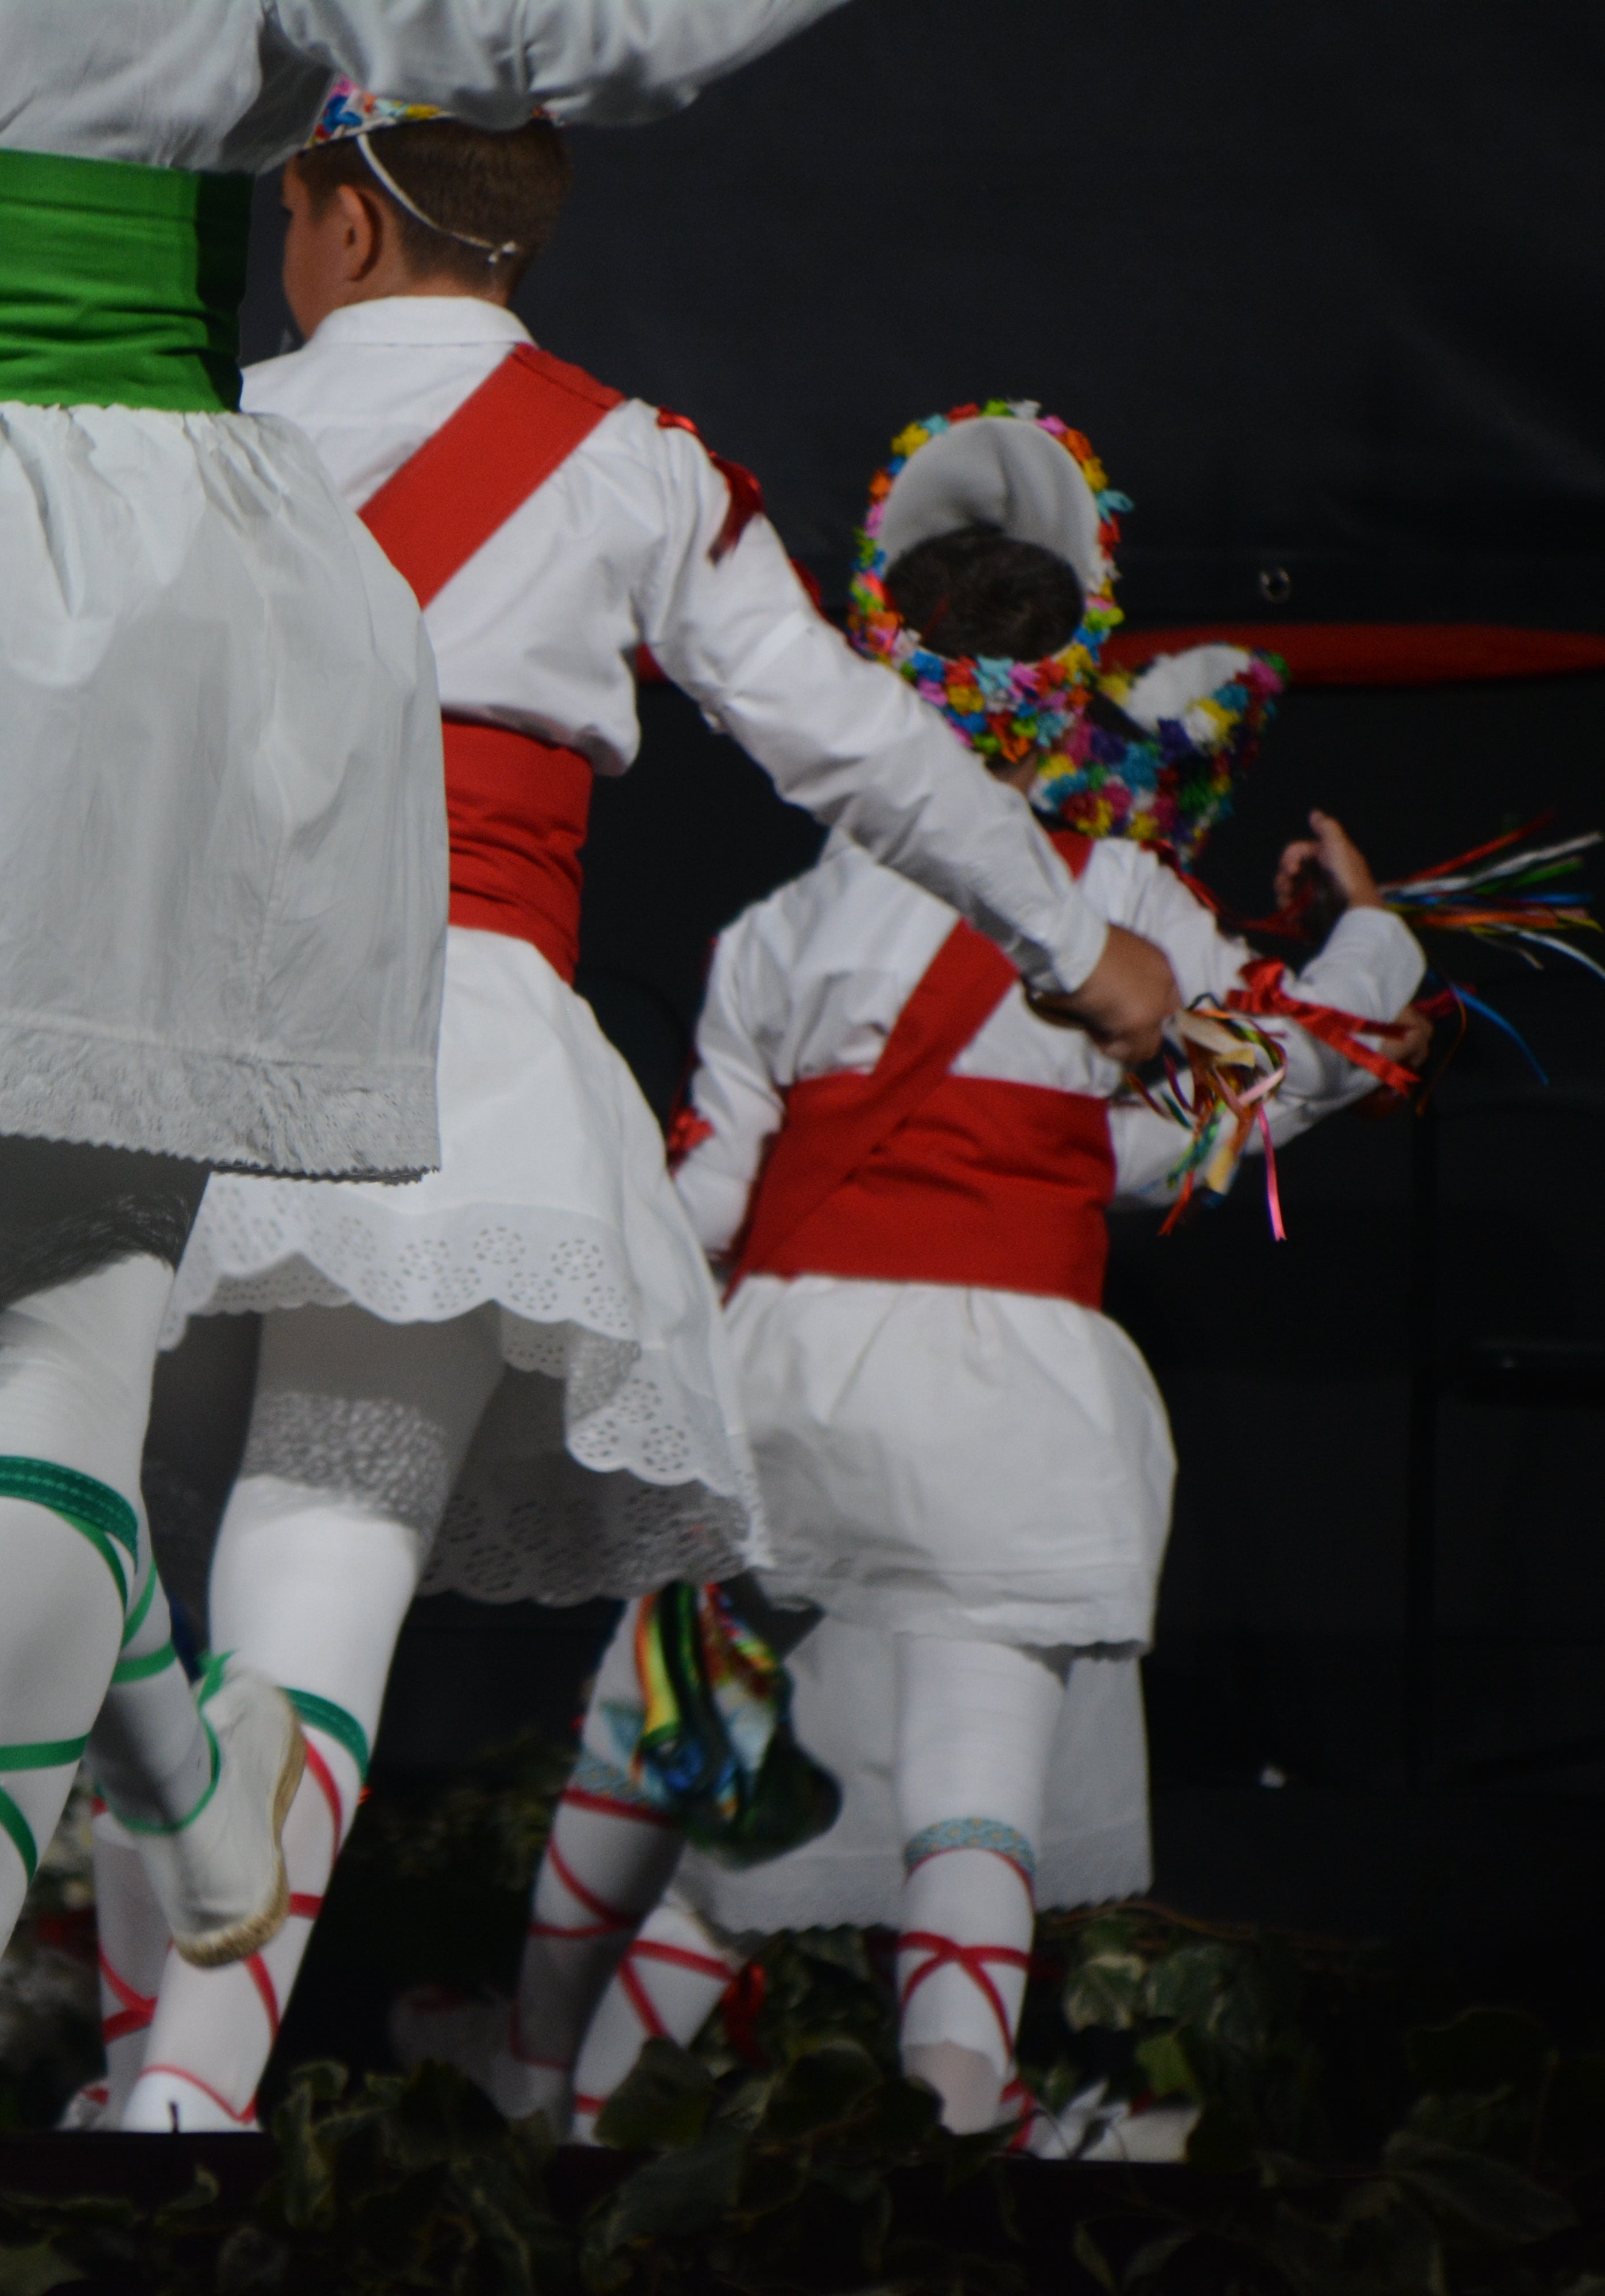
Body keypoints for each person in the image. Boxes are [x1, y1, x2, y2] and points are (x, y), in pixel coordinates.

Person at [0, 0, 1181, 2129]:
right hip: (136, 730)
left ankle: (164, 1811)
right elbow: (588, 42)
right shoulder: (569, 422)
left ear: (342, 225)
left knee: (3, 1379)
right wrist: (1075, 932)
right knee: (47, 1399)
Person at [88, 99, 1222, 2136]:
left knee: (103, 1572)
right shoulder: (635, 469)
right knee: (316, 1572)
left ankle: (86, 2061)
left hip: (166, 1045)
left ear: (336, 221)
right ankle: (185, 2101)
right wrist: (1072, 940)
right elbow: (860, 744)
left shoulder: (194, 431)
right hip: (454, 1075)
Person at [496, 402, 1429, 2143]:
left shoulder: (785, 928)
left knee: (673, 1745)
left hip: (787, 1380)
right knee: (968, 1809)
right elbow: (1238, 1106)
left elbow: (708, 1205)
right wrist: (1369, 945)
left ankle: (538, 2087)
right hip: (1017, 1395)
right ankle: (951, 2122)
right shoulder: (1133, 905)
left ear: (881, 661)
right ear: (1076, 651)